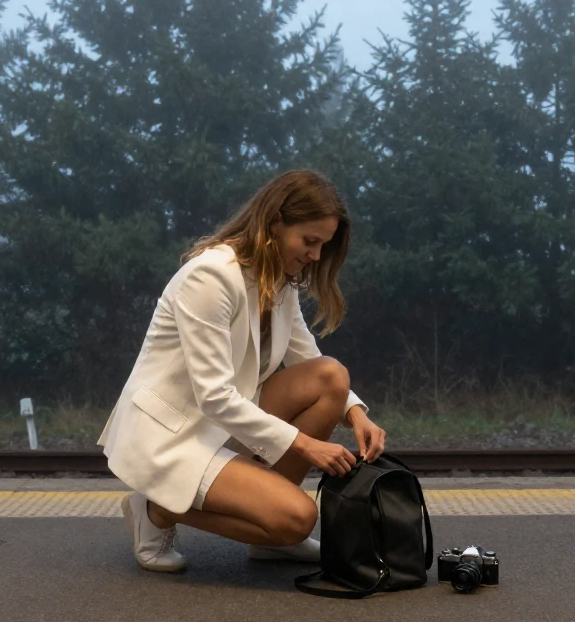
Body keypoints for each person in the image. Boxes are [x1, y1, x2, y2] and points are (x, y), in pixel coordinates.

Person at [97, 168, 388, 573]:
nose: (317, 256)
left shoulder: (278, 276)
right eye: (310, 242)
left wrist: (357, 414)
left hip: (221, 423)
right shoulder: (211, 277)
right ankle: (156, 508)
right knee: (298, 518)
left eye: (323, 245)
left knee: (331, 377)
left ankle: (269, 536)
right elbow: (215, 396)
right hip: (174, 436)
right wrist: (305, 445)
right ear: (275, 223)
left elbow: (306, 354)